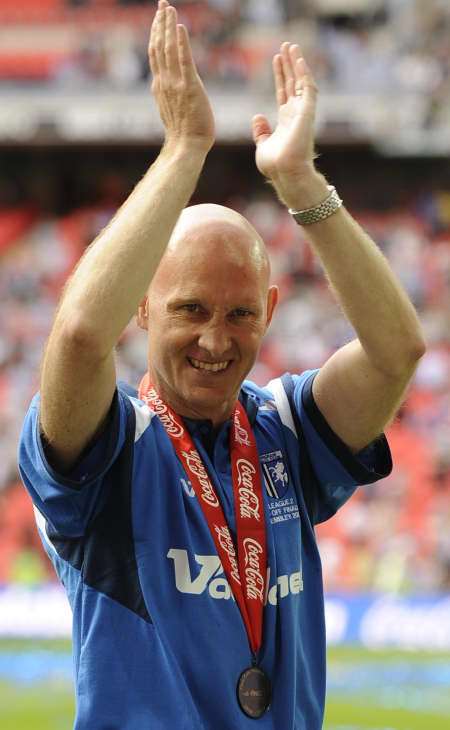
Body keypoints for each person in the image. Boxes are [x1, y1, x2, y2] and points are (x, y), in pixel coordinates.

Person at [18, 1, 425, 728]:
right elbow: (79, 335)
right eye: (189, 309)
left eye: (240, 313)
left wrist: (301, 186)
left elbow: (397, 350)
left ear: (270, 309)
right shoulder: (107, 450)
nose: (216, 338)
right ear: (142, 308)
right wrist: (183, 152)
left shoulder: (288, 429)